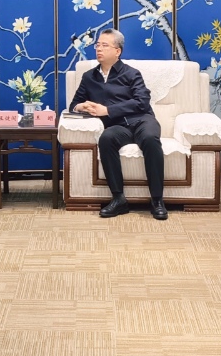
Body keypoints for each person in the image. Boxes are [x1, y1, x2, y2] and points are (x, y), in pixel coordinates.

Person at [68, 28, 168, 220]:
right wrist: (82, 106)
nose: (98, 49)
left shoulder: (131, 73)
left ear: (117, 51)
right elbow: (74, 105)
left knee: (149, 139)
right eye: (97, 45)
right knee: (106, 139)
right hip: (118, 127)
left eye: (104, 45)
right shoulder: (89, 77)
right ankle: (118, 199)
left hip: (142, 120)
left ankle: (157, 200)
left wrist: (107, 110)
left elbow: (142, 102)